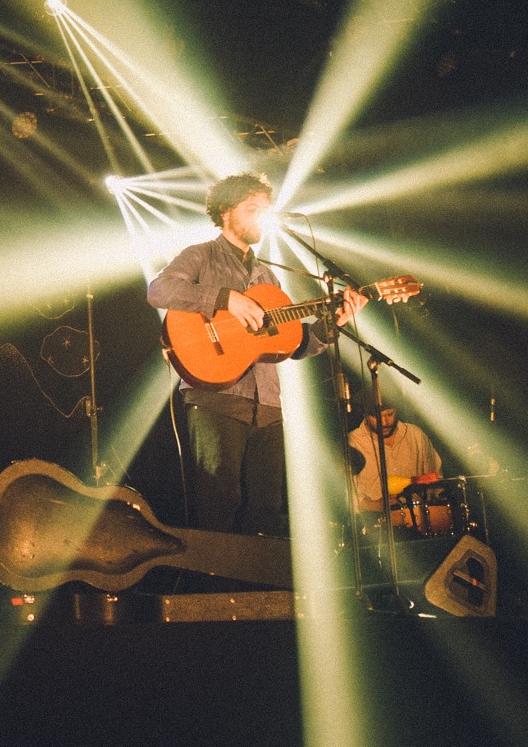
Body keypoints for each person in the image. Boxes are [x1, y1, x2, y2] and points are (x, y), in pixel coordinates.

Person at [146, 172, 366, 534]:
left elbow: (293, 345)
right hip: (216, 395)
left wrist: (333, 324)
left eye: (265, 208)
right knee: (219, 503)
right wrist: (225, 298)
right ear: (225, 211)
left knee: (267, 509)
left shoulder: (267, 276)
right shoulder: (200, 255)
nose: (261, 215)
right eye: (252, 207)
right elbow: (159, 290)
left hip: (268, 406)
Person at [347, 400, 443, 514]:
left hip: (418, 516)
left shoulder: (414, 435)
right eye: (377, 417)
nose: (384, 422)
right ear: (365, 416)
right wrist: (373, 505)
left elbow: (436, 478)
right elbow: (342, 492)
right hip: (374, 519)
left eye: (389, 414)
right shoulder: (352, 442)